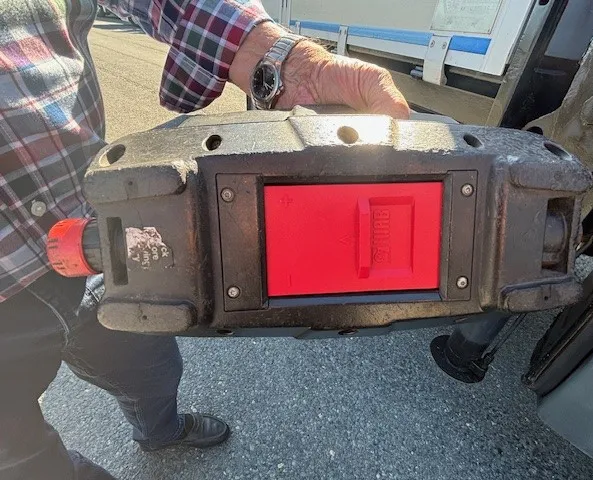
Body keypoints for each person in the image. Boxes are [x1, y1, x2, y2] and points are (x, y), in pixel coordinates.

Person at [0, 0, 409, 478]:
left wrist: (285, 62)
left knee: (153, 374)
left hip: (100, 230)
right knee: (26, 462)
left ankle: (160, 432)